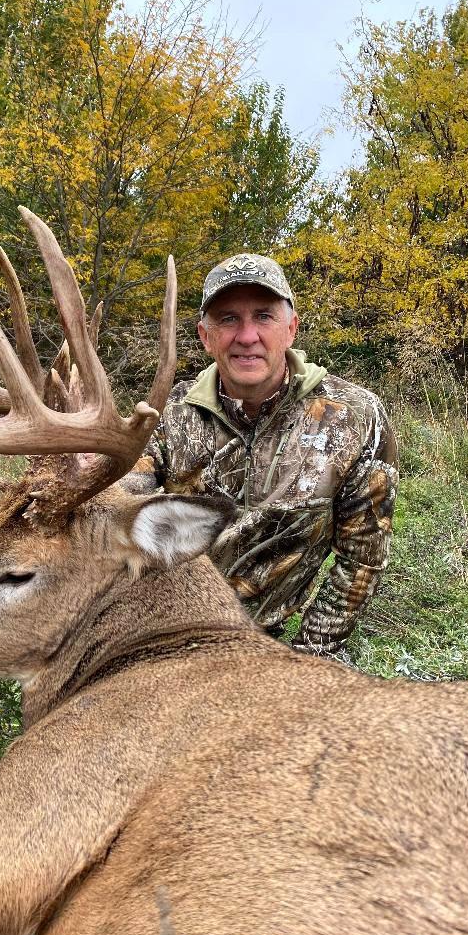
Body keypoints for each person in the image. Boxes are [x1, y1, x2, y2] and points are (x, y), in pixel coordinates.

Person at [126, 253, 399, 661]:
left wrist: (309, 656)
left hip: (280, 643)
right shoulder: (166, 413)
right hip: (167, 634)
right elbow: (122, 504)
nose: (247, 335)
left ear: (291, 329)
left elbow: (361, 556)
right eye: (228, 319)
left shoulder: (355, 417)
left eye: (264, 316)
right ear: (205, 335)